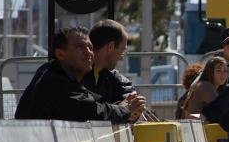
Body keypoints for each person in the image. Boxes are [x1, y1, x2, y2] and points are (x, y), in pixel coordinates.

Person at [15, 27, 144, 123]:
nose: (88, 53)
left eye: (90, 47)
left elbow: (93, 104)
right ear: (61, 54)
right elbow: (89, 111)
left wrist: (125, 107)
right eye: (80, 47)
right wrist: (125, 110)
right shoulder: (53, 79)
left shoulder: (68, 76)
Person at [83, 19, 139, 105]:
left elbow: (127, 93)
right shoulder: (76, 74)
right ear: (110, 47)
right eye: (122, 50)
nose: (121, 58)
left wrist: (133, 112)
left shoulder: (114, 77)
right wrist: (120, 110)